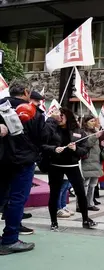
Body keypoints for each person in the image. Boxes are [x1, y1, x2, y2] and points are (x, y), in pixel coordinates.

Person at [0, 82, 45, 254]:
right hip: (23, 161)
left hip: (2, 159)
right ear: (26, 92)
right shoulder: (34, 111)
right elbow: (42, 137)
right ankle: (10, 239)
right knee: (17, 199)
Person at [42, 107, 97, 232]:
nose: (59, 117)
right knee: (54, 194)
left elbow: (85, 150)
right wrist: (54, 149)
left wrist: (75, 149)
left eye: (61, 115)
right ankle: (54, 222)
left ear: (67, 116)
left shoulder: (78, 131)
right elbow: (43, 145)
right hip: (56, 166)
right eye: (57, 115)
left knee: (81, 193)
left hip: (72, 166)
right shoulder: (51, 129)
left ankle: (86, 219)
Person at [81, 115, 104, 212]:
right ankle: (81, 204)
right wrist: (95, 137)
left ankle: (90, 203)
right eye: (91, 121)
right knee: (85, 184)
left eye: (94, 121)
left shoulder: (95, 131)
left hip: (96, 160)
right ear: (86, 122)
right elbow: (86, 144)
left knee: (93, 184)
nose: (93, 123)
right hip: (87, 160)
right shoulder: (83, 132)